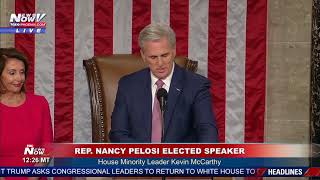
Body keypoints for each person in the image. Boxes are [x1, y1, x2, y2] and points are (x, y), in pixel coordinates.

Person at [109, 23, 218, 143]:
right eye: (153, 57)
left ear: (174, 51)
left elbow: (207, 132)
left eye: (165, 55)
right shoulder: (128, 85)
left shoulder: (196, 85)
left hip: (181, 160)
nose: (160, 63)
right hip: (139, 160)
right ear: (143, 56)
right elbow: (118, 134)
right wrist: (146, 156)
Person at [0, 48, 53, 175]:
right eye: (12, 73)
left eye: (22, 72)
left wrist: (32, 178)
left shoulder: (40, 103)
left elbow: (47, 148)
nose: (19, 78)